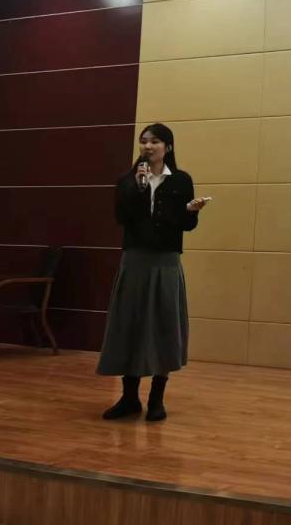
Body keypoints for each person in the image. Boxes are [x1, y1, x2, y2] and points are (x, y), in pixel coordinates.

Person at [97, 122, 209, 422]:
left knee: (164, 326)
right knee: (130, 325)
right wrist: (139, 187)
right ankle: (129, 398)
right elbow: (122, 217)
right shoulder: (127, 180)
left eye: (155, 141)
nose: (147, 146)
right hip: (135, 261)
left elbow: (186, 226)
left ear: (167, 147)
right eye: (143, 141)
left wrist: (191, 212)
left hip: (166, 262)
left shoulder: (181, 180)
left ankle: (157, 400)